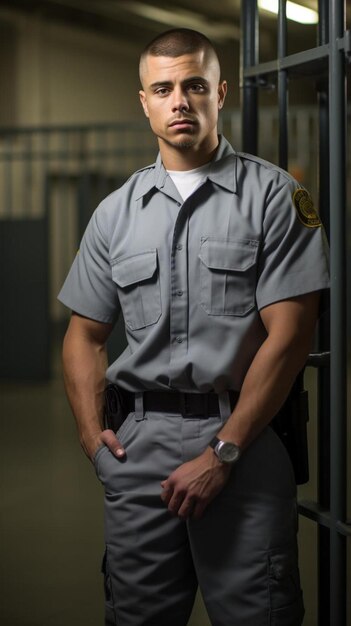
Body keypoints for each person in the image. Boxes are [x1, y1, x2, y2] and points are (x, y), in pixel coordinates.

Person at [59, 28, 330, 626]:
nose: (179, 100)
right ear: (145, 101)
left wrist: (225, 449)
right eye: (163, 88)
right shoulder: (115, 213)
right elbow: (84, 334)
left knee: (259, 613)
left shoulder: (276, 197)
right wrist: (90, 438)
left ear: (220, 93)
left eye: (194, 85)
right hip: (139, 446)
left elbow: (291, 337)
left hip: (245, 441)